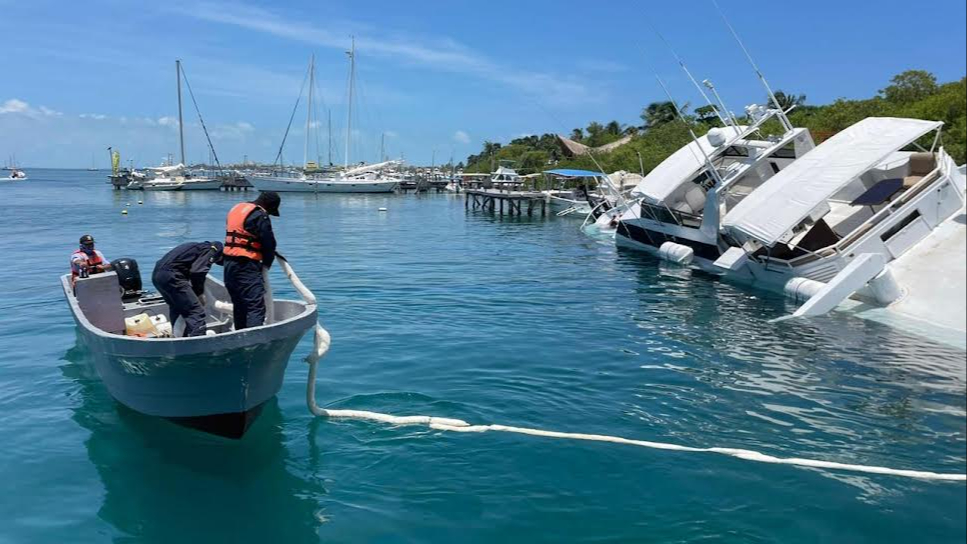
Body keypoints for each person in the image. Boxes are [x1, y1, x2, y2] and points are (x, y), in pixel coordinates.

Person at [223, 191, 279, 330]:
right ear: (269, 206)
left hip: (229, 263)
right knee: (255, 306)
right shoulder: (260, 215)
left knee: (239, 304)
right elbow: (269, 243)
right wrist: (266, 265)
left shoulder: (236, 209)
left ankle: (240, 336)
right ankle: (254, 343)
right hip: (246, 264)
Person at [151, 241, 224, 337]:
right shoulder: (213, 250)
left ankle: (180, 339)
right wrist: (199, 294)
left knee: (177, 308)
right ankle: (198, 342)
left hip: (158, 275)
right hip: (172, 276)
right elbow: (197, 271)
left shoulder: (197, 248)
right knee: (196, 311)